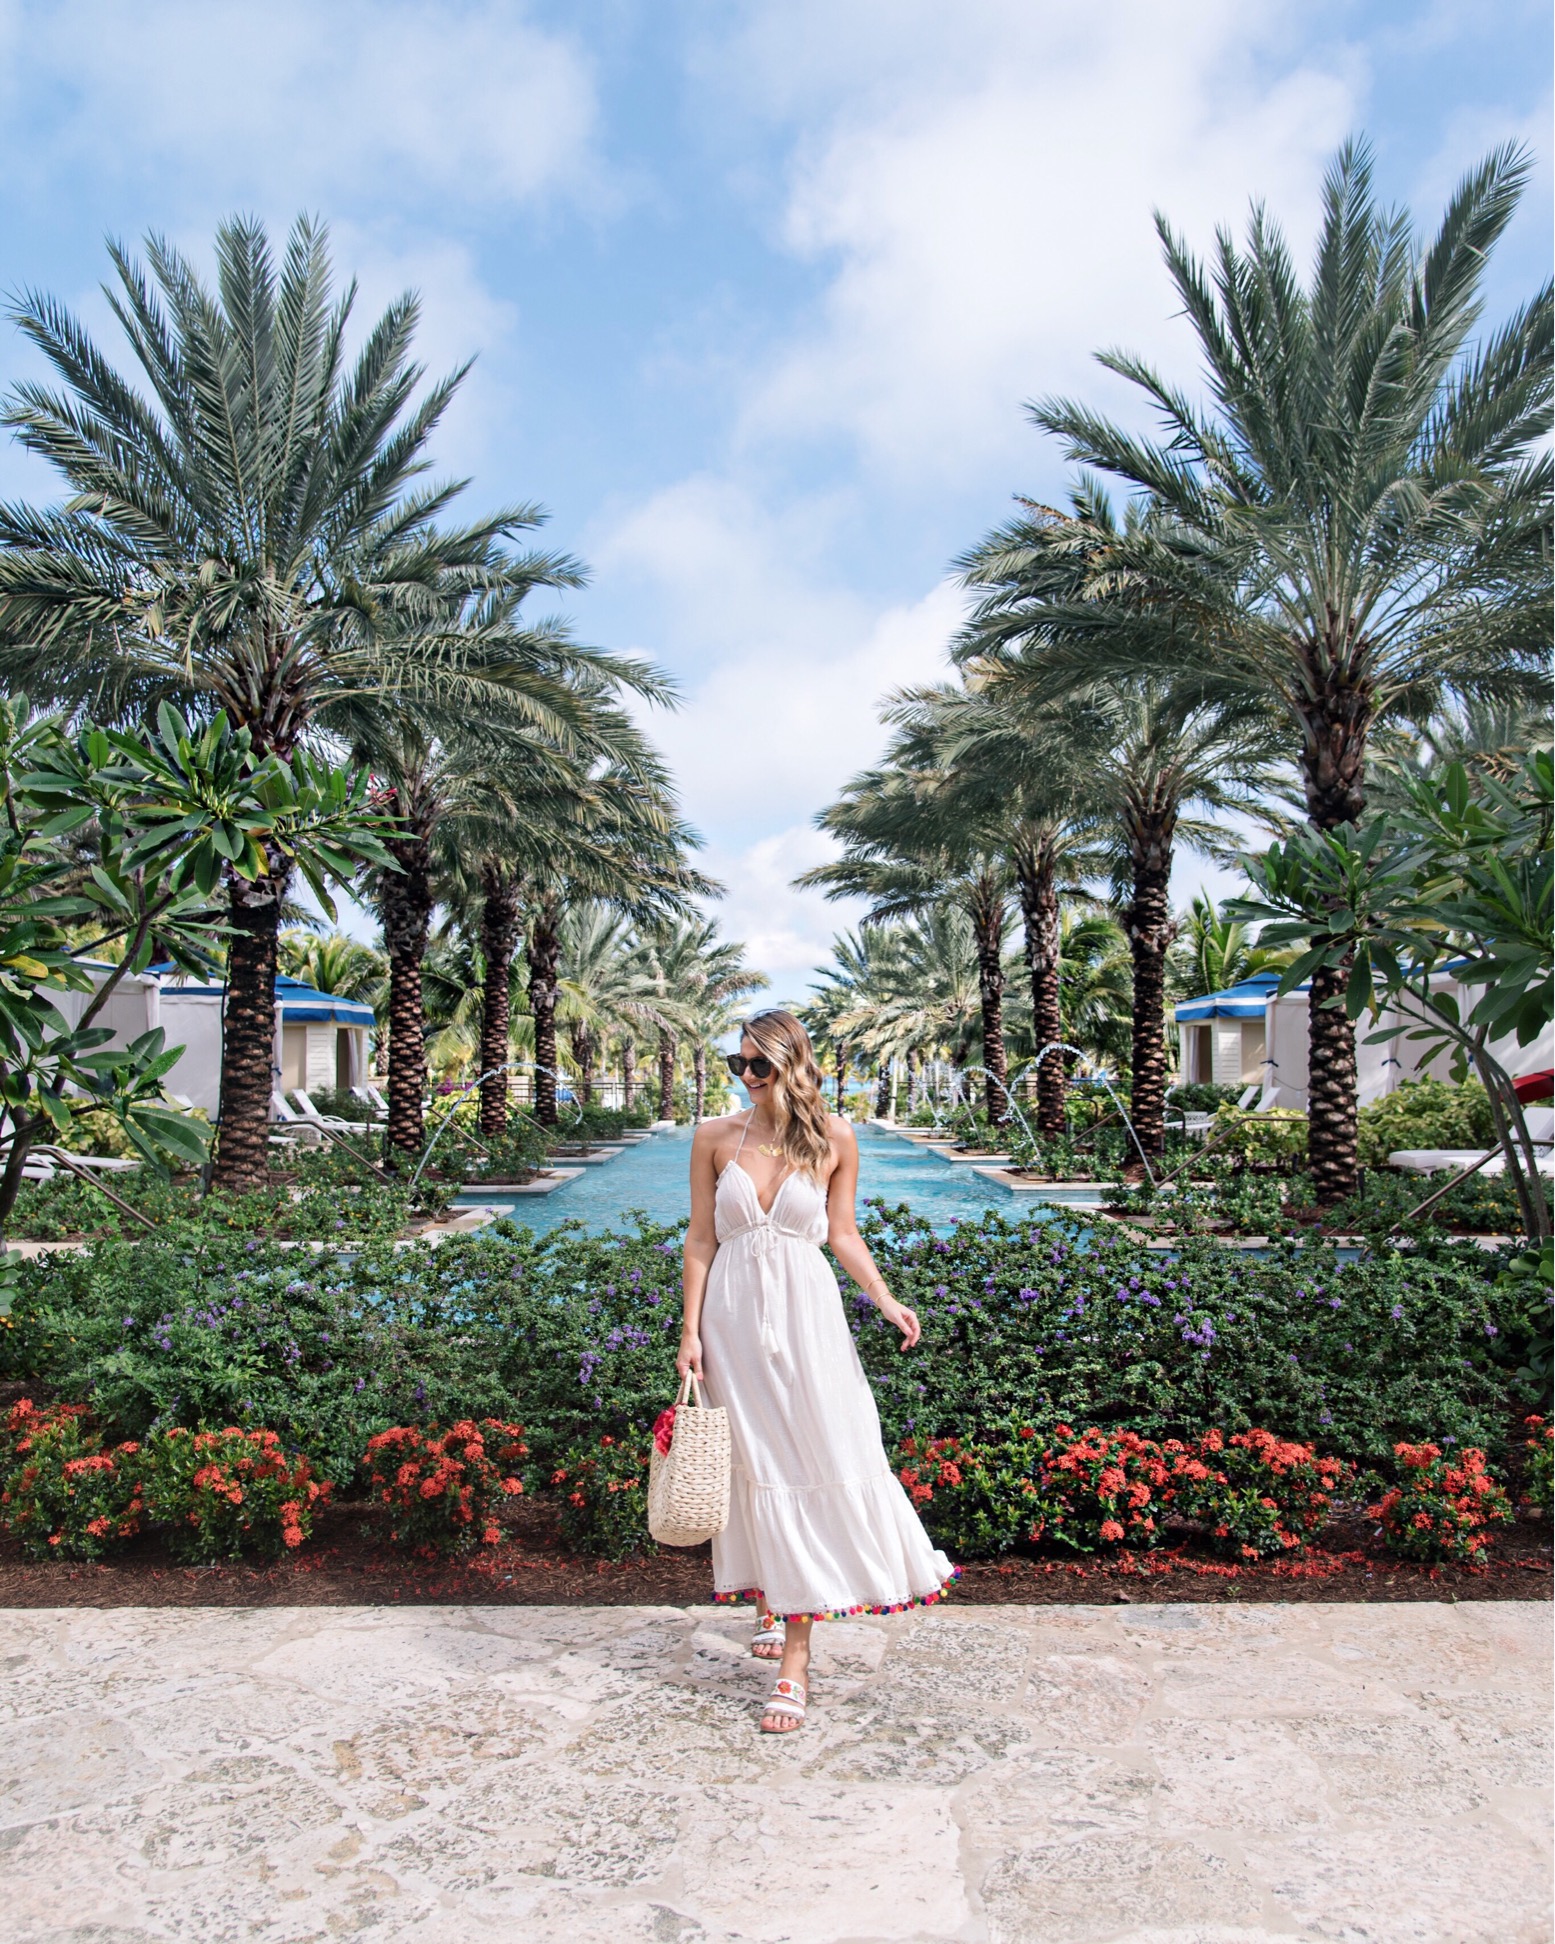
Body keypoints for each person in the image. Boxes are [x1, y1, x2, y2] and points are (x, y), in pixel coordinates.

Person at [678, 1009, 956, 1734]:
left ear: (792, 1063)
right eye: (737, 1063)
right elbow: (701, 1239)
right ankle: (776, 1610)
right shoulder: (713, 1138)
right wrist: (688, 1333)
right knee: (757, 1461)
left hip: (808, 1319)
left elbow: (841, 1234)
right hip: (732, 1322)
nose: (745, 1076)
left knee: (818, 1452)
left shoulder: (833, 1136)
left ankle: (794, 1658)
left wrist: (887, 1301)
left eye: (758, 1065)